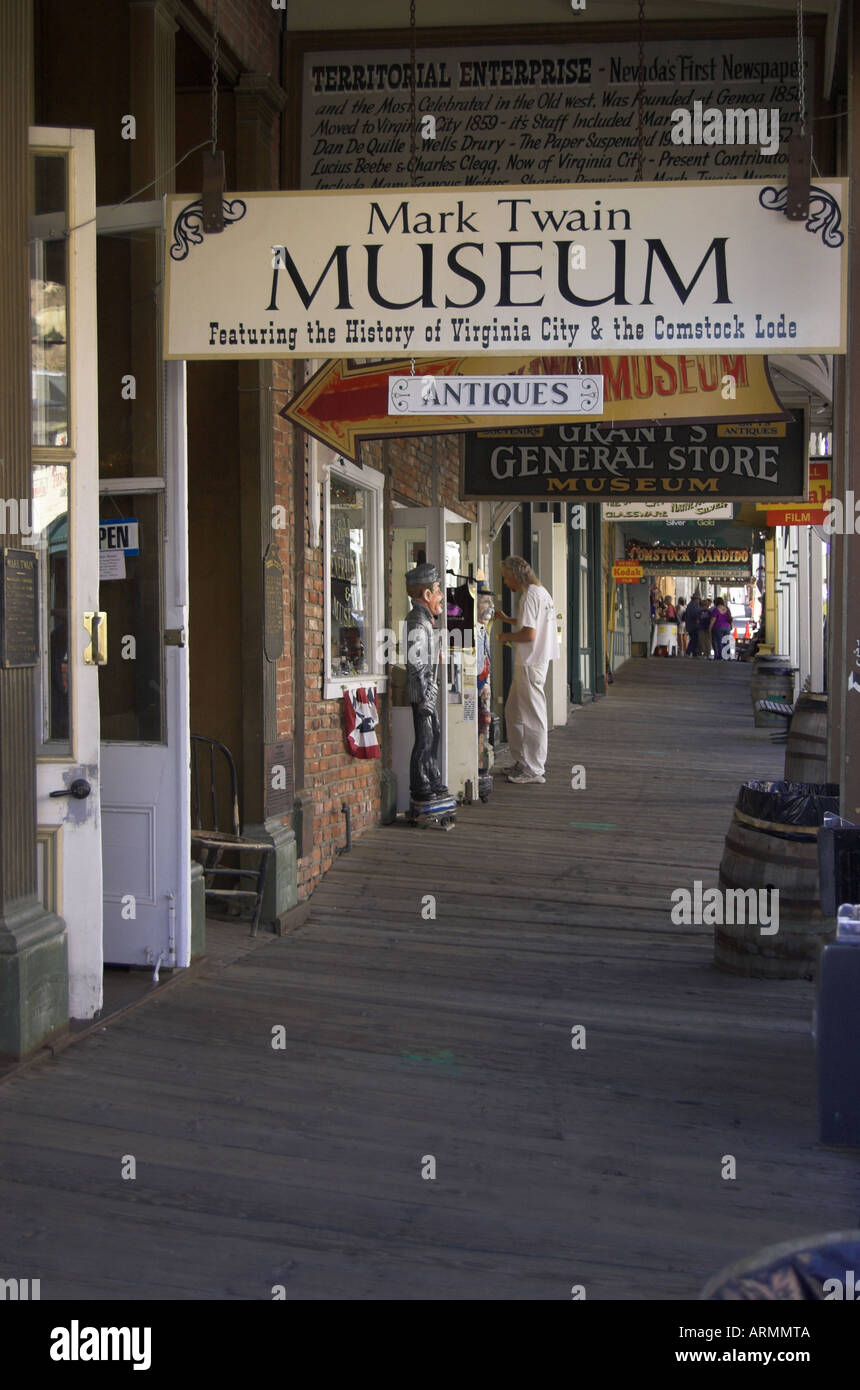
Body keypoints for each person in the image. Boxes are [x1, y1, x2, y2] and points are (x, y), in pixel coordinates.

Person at [494, 555, 559, 784]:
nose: (505, 582)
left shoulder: (530, 595)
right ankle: (522, 761)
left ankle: (534, 768)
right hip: (534, 661)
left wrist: (505, 636)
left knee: (532, 715)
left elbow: (529, 634)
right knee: (514, 711)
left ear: (514, 575)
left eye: (505, 576)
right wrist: (507, 619)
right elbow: (533, 625)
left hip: (531, 662)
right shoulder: (541, 592)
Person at [405, 562, 448, 802]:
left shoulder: (424, 621)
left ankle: (432, 777)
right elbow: (416, 663)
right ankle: (422, 784)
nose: (441, 596)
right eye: (438, 590)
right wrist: (425, 695)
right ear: (427, 594)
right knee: (426, 739)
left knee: (434, 734)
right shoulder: (417, 622)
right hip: (422, 693)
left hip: (426, 691)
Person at [710, 596, 733, 660]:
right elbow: (730, 618)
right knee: (727, 641)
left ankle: (721, 656)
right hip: (727, 627)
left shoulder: (716, 610)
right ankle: (728, 656)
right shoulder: (727, 609)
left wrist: (710, 628)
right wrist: (731, 626)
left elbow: (713, 620)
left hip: (718, 627)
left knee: (719, 642)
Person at [684, 592, 702, 658]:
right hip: (693, 625)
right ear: (696, 599)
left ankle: (694, 653)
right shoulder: (693, 605)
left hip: (691, 625)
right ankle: (688, 652)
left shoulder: (692, 605)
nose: (699, 600)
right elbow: (695, 615)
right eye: (699, 599)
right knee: (694, 639)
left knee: (694, 639)